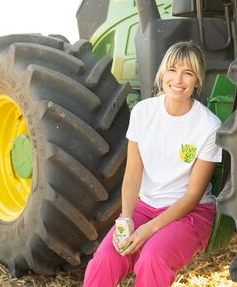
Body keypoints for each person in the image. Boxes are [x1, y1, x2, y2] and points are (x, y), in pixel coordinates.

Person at [83, 41, 222, 287]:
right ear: (162, 73)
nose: (178, 79)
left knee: (152, 258)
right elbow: (133, 175)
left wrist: (147, 231)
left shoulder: (208, 126)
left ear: (197, 80)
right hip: (145, 207)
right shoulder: (142, 113)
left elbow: (192, 195)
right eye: (172, 70)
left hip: (190, 213)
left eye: (187, 73)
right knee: (105, 258)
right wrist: (125, 220)